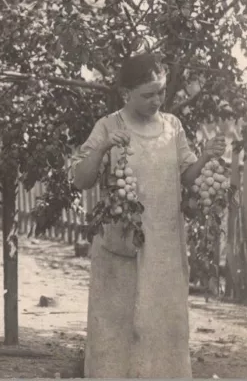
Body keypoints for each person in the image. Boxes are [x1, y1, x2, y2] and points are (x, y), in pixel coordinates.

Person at [71, 53, 226, 379]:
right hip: (122, 245)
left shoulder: (172, 127)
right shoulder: (109, 125)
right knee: (117, 328)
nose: (157, 99)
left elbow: (186, 175)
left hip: (165, 247)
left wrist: (206, 156)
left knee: (161, 327)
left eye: (161, 91)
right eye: (148, 94)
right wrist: (101, 150)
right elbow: (80, 178)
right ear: (126, 93)